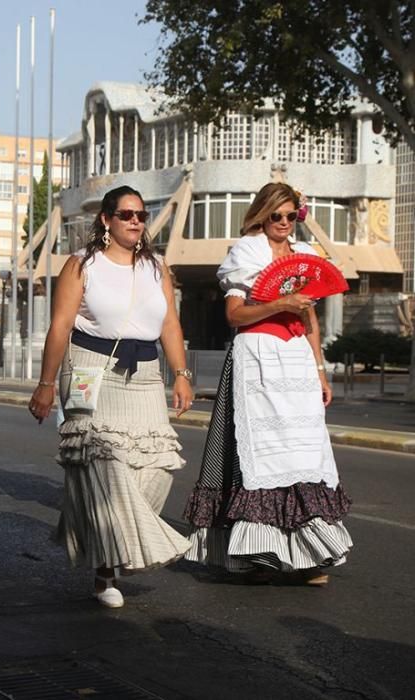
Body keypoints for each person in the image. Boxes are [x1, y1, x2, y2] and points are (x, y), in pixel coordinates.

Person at [29, 185, 194, 609]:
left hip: (145, 375)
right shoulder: (83, 265)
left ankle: (118, 542)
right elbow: (61, 327)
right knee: (103, 465)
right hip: (89, 370)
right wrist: (46, 385)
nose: (136, 221)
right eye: (126, 214)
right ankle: (106, 571)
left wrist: (181, 374)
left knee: (155, 466)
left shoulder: (158, 267)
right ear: (106, 219)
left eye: (141, 214)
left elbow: (170, 326)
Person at [182, 182, 352, 585]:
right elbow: (235, 315)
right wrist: (280, 304)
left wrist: (320, 369)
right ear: (262, 214)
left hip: (295, 361)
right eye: (276, 215)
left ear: (298, 217)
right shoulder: (247, 252)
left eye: (291, 215)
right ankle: (257, 555)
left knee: (304, 455)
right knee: (259, 456)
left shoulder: (306, 257)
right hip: (257, 357)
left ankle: (311, 555)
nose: (283, 222)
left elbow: (310, 320)